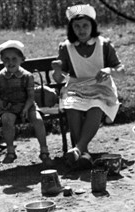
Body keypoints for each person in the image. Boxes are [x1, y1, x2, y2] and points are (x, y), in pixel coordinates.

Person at [52, 4, 124, 168]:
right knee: (72, 106)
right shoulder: (66, 47)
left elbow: (121, 70)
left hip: (101, 87)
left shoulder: (104, 45)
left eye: (85, 25)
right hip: (76, 87)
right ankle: (82, 154)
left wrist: (108, 70)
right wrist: (57, 71)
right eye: (76, 26)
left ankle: (78, 149)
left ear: (92, 26)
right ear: (72, 29)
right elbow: (60, 78)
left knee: (96, 105)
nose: (81, 30)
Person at [0, 40, 54, 167]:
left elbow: (31, 97)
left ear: (22, 60)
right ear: (2, 60)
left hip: (27, 106)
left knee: (38, 120)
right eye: (6, 59)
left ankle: (44, 150)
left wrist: (25, 109)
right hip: (9, 107)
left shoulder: (27, 76)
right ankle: (10, 151)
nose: (10, 62)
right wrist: (2, 103)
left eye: (14, 58)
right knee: (7, 120)